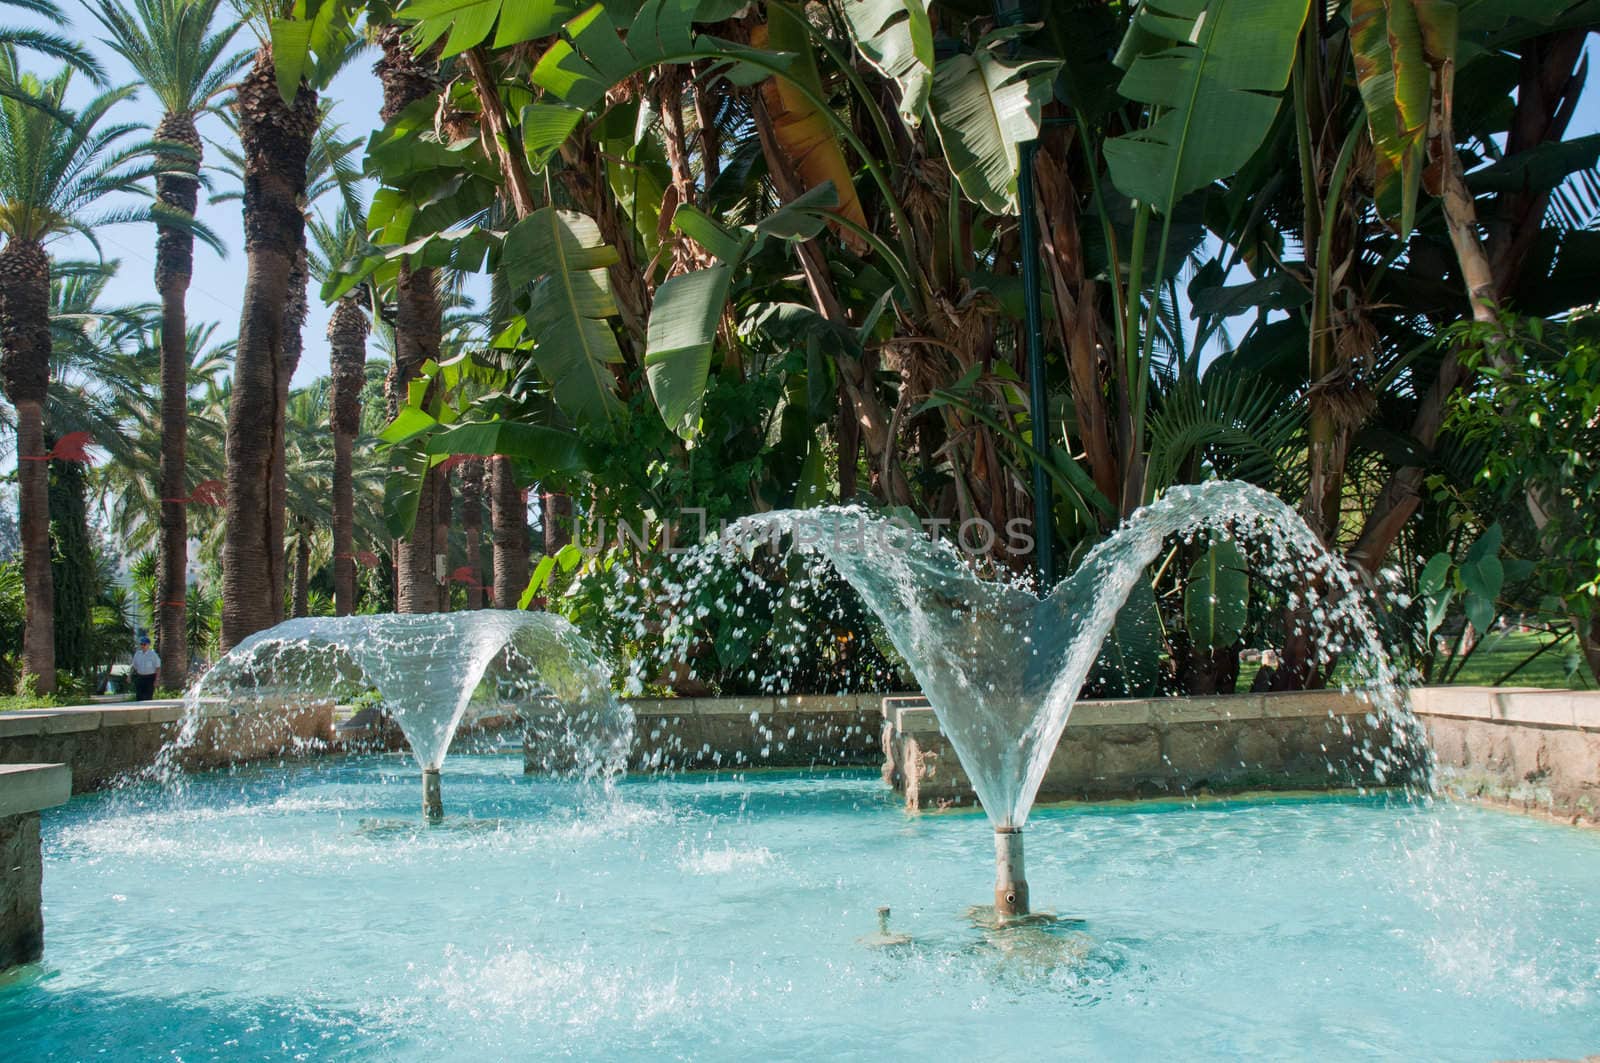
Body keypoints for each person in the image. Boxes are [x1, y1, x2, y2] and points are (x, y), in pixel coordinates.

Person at [131, 636, 160, 702]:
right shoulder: (138, 654)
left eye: (144, 644)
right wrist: (129, 676)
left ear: (148, 645)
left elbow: (158, 667)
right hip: (140, 677)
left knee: (148, 696)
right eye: (141, 644)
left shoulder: (153, 654)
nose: (142, 646)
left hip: (150, 678)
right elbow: (133, 666)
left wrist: (157, 679)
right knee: (139, 696)